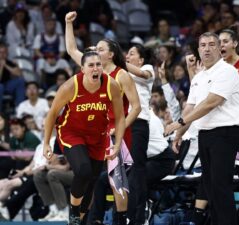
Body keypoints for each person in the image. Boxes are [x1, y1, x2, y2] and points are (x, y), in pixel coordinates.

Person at [65, 10, 141, 224]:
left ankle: (122, 219)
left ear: (110, 54)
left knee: (116, 178)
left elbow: (136, 107)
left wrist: (120, 128)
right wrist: (68, 24)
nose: (94, 52)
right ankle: (82, 219)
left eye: (100, 50)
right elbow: (71, 49)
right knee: (88, 179)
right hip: (94, 133)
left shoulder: (122, 75)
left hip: (116, 133)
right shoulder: (92, 68)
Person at [165, 32, 239, 225]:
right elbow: (191, 106)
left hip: (226, 132)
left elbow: (212, 102)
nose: (207, 49)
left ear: (220, 48)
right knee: (210, 186)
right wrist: (179, 134)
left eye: (211, 44)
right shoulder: (199, 77)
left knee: (220, 185)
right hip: (206, 133)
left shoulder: (227, 71)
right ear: (198, 49)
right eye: (203, 45)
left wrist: (180, 123)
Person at [42, 49, 126, 225]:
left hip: (98, 137)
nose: (95, 69)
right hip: (72, 133)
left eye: (98, 65)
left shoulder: (111, 85)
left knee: (92, 181)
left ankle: (77, 221)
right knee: (83, 170)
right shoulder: (70, 86)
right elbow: (51, 115)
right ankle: (73, 212)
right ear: (82, 69)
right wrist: (46, 144)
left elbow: (119, 117)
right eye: (91, 65)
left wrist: (117, 143)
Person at [125, 43, 156, 225]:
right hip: (124, 125)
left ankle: (139, 216)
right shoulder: (123, 73)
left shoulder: (146, 68)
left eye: (131, 54)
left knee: (137, 170)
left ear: (141, 59)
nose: (127, 56)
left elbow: (143, 75)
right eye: (126, 54)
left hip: (139, 123)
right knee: (124, 172)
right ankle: (124, 215)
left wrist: (120, 61)